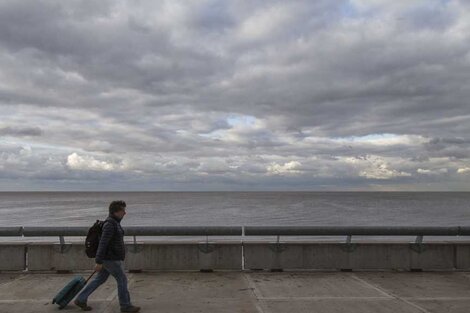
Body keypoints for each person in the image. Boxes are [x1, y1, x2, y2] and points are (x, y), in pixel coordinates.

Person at [74, 200, 141, 312]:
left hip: (109, 258)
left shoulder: (114, 222)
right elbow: (103, 243)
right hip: (111, 259)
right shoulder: (110, 224)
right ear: (115, 212)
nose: (125, 213)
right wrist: (99, 261)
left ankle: (81, 298)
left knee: (100, 279)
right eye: (122, 211)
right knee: (122, 280)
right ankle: (125, 306)